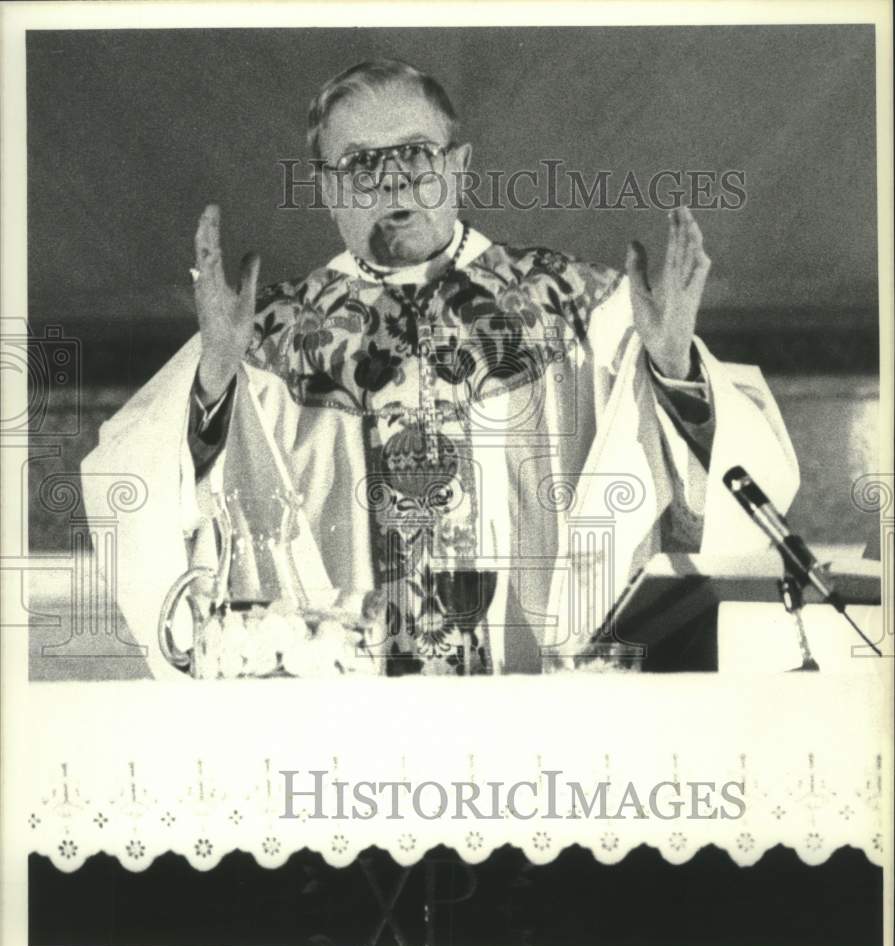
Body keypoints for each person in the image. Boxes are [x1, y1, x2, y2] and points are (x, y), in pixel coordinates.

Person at [82, 58, 799, 678]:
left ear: (457, 166)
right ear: (328, 188)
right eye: (361, 163)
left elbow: (740, 488)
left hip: (544, 717)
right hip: (338, 730)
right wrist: (212, 383)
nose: (393, 182)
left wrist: (673, 368)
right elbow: (133, 485)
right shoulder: (267, 333)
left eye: (416, 154)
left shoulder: (577, 306)